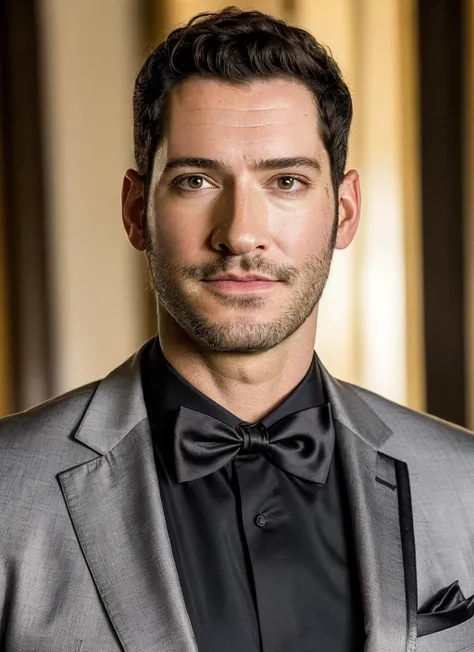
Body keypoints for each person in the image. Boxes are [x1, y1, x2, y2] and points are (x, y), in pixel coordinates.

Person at [0, 6, 473, 652]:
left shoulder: (466, 486)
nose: (240, 232)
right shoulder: (8, 493)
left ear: (345, 211)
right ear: (137, 212)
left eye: (285, 181)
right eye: (196, 180)